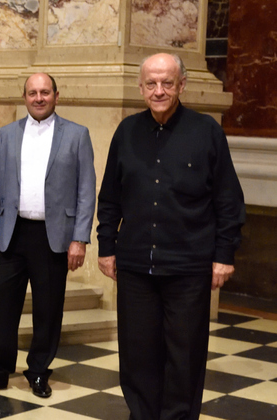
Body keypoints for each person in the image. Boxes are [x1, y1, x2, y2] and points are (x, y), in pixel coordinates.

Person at [97, 53, 246, 420]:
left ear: (182, 85)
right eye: (151, 83)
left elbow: (228, 200)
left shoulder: (206, 131)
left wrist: (224, 255)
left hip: (188, 269)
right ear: (141, 87)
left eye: (167, 83)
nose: (159, 90)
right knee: (137, 356)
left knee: (185, 358)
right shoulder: (126, 132)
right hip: (135, 268)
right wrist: (105, 247)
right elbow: (110, 198)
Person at [0, 73, 96, 398]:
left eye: (45, 92)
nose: (38, 98)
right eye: (32, 93)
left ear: (57, 94)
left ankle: (39, 370)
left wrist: (80, 238)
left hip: (54, 236)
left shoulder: (77, 135)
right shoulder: (6, 135)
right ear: (24, 97)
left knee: (48, 308)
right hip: (13, 233)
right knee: (2, 307)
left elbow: (86, 191)